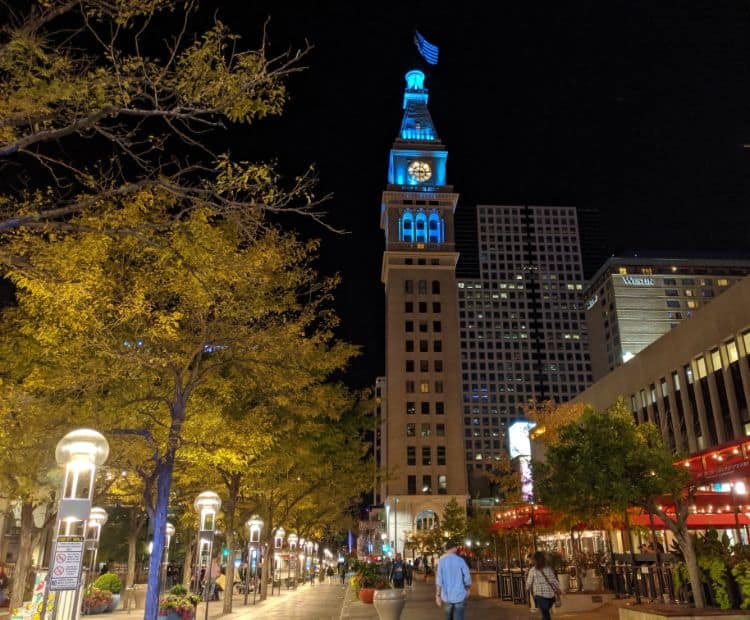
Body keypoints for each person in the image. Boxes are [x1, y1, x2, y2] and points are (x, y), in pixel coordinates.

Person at [435, 540, 471, 620]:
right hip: (459, 594)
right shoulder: (460, 560)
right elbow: (467, 576)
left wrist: (438, 595)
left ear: (447, 549)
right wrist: (467, 589)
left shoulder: (441, 562)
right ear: (454, 548)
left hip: (447, 596)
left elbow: (439, 579)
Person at [526, 551, 561, 620]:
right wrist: (559, 589)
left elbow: (528, 583)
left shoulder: (533, 570)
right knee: (545, 614)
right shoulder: (548, 569)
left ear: (534, 560)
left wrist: (527, 588)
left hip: (540, 596)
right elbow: (554, 581)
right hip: (550, 597)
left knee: (545, 615)